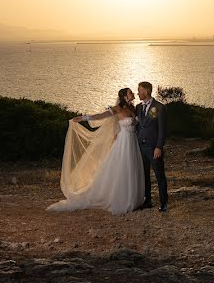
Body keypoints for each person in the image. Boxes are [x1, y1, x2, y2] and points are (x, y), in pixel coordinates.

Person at [46, 87, 145, 215]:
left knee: (132, 167)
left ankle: (133, 198)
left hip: (133, 143)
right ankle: (121, 199)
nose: (133, 94)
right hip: (123, 142)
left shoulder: (133, 108)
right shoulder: (117, 109)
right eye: (130, 92)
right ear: (124, 96)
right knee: (123, 168)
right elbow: (100, 116)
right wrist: (84, 118)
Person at [135, 81, 169, 212]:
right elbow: (139, 125)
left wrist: (159, 147)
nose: (138, 93)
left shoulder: (159, 107)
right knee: (144, 175)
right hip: (140, 147)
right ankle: (147, 200)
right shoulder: (138, 107)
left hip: (153, 148)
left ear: (146, 91)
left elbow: (162, 130)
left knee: (159, 175)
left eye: (140, 90)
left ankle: (163, 202)